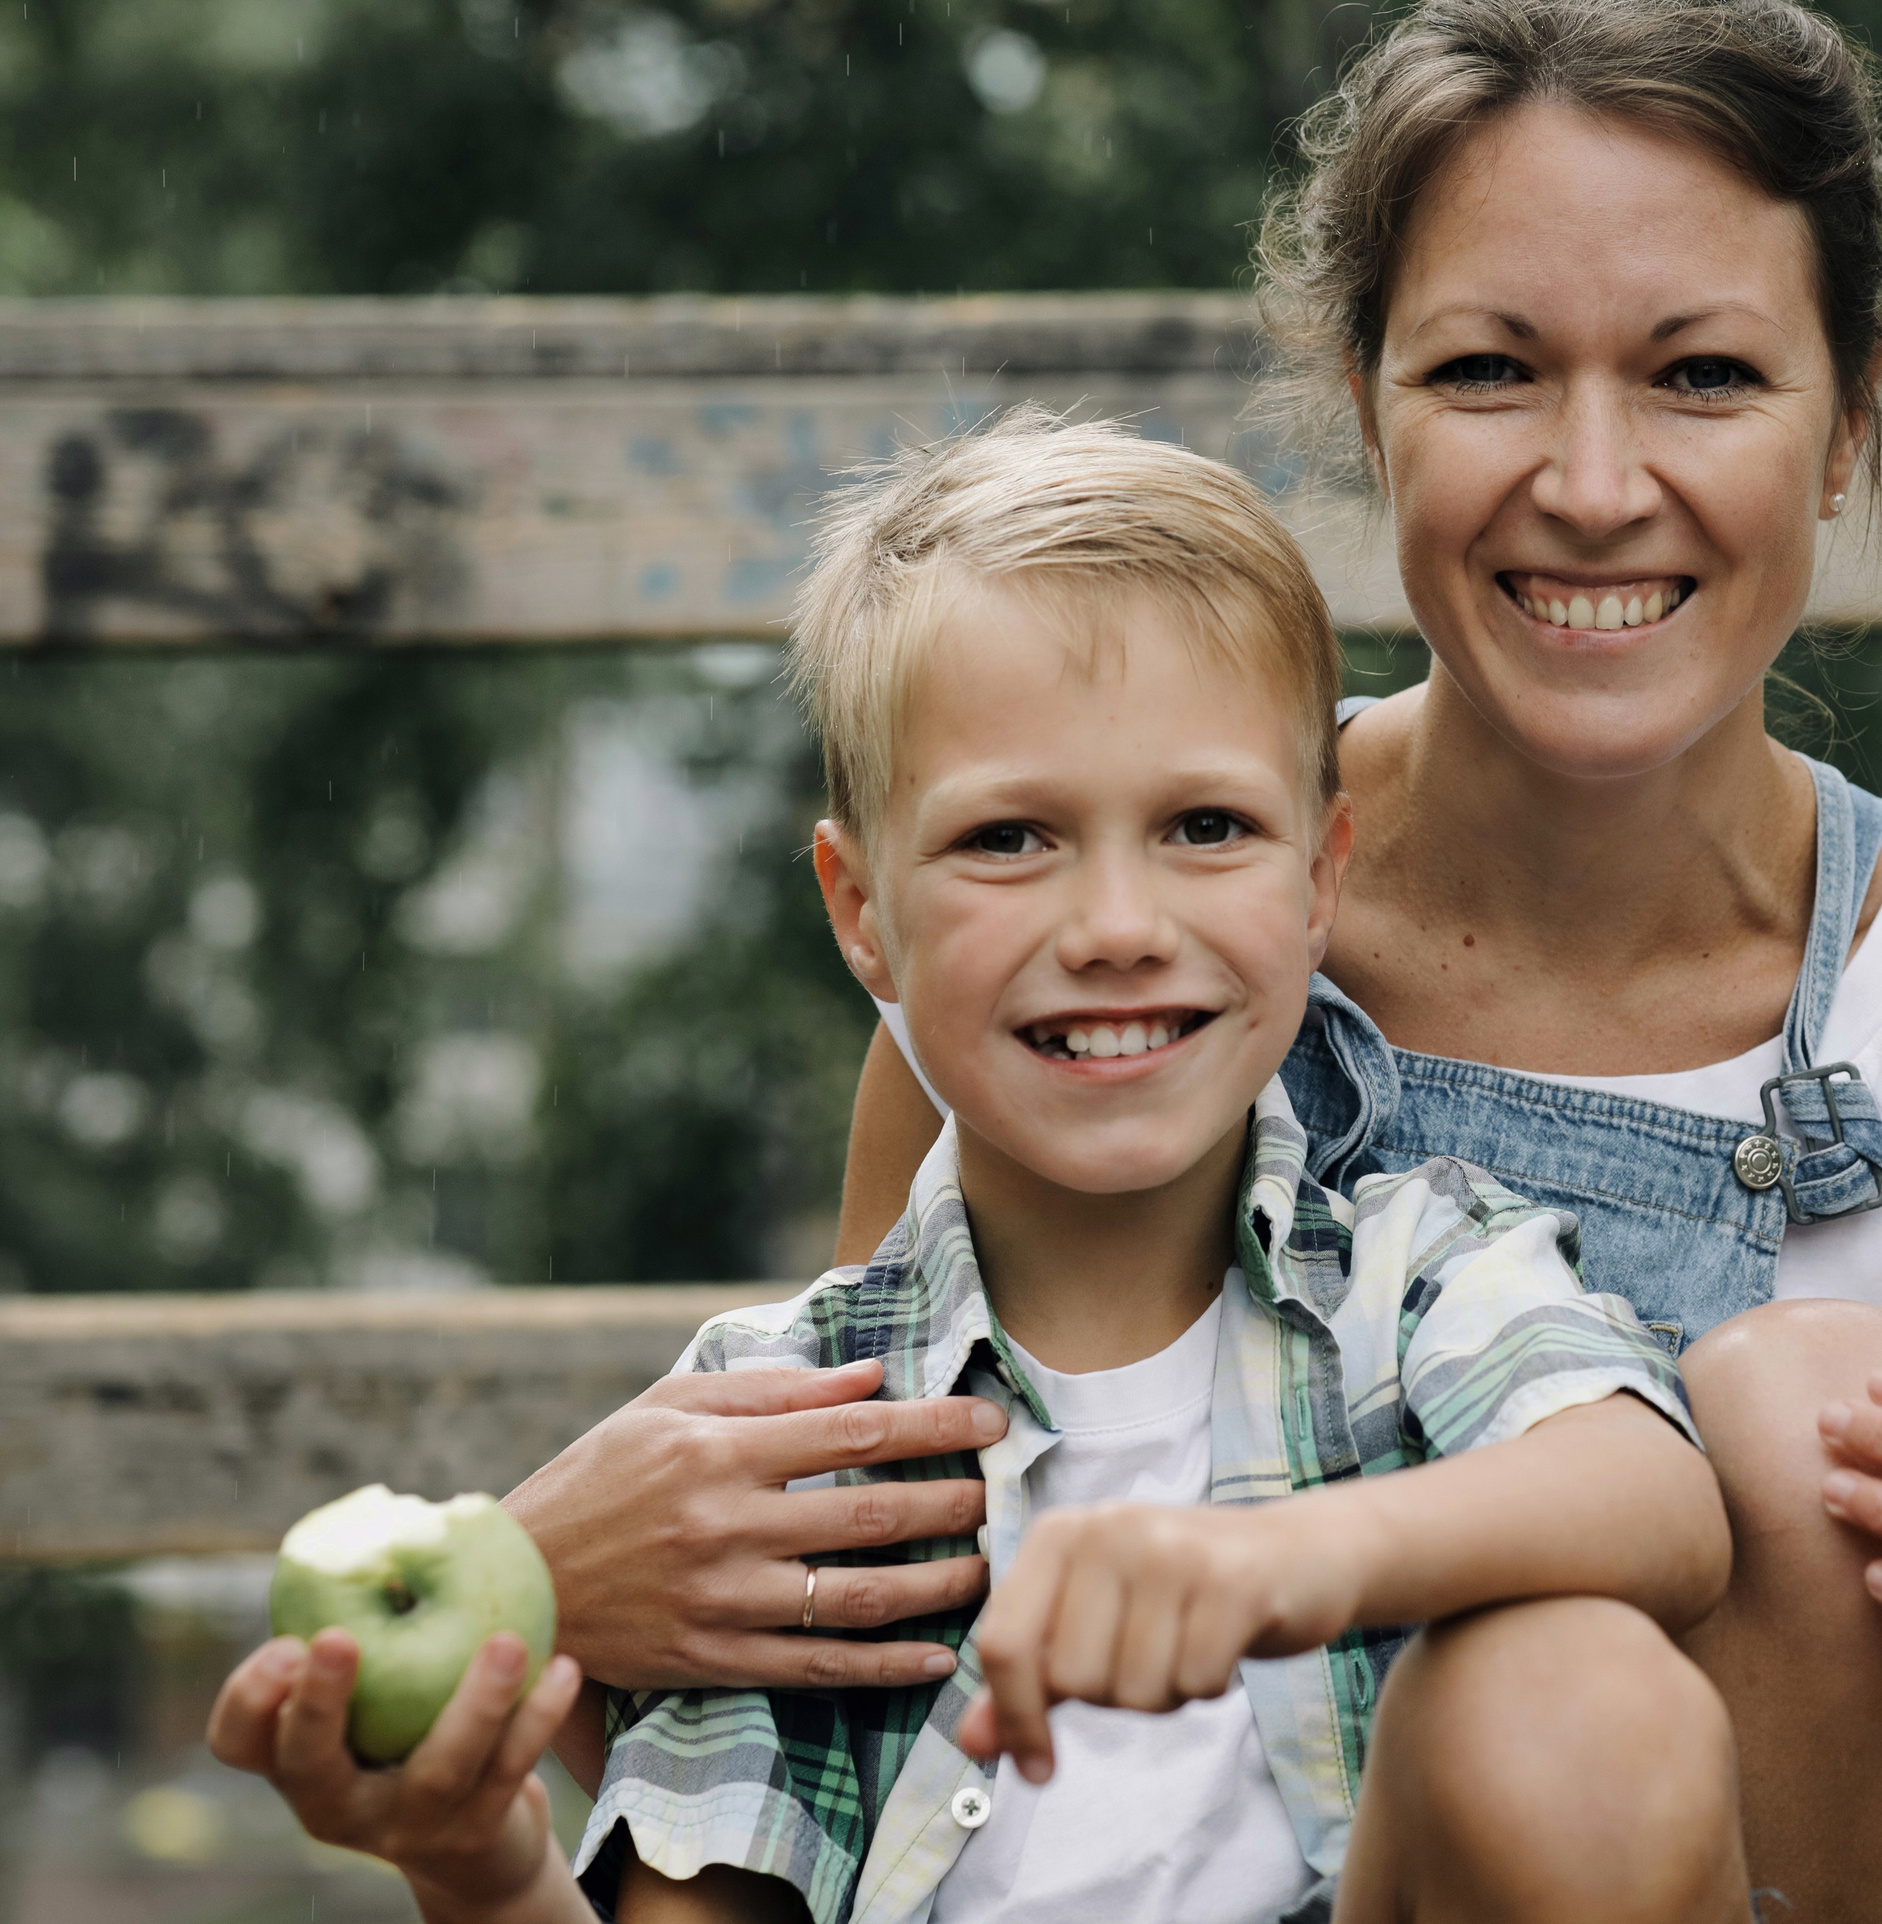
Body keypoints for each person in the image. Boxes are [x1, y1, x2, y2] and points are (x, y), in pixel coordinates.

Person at [499, 2, 1882, 1919]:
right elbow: (848, 1683)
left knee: (1807, 1428)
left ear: (1850, 427)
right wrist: (528, 1578)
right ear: (1366, 399)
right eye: (1490, 369)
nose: (1589, 481)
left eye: (1706, 375)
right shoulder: (1080, 972)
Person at [210, 414, 1739, 1924]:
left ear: (1322, 877)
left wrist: (1283, 1565)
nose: (1119, 924)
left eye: (1207, 825)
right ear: (861, 910)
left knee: (1587, 1696)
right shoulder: (793, 1440)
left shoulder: (1419, 1269)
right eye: (1011, 840)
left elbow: (1657, 1504)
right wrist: (478, 1869)